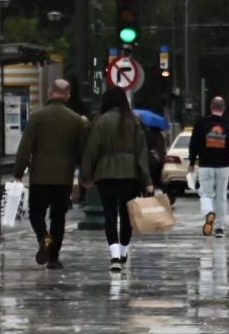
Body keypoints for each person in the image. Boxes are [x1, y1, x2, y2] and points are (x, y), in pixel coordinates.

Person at [14, 79, 87, 270]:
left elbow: (25, 148)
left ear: (49, 92)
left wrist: (19, 171)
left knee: (36, 214)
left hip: (40, 178)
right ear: (68, 95)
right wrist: (86, 175)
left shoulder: (38, 117)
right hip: (64, 179)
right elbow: (82, 152)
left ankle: (43, 238)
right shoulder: (76, 120)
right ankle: (54, 258)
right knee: (58, 217)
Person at [82, 87, 153, 273]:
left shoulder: (100, 121)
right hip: (130, 175)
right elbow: (141, 153)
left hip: (105, 174)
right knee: (127, 215)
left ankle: (114, 256)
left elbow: (92, 150)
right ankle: (123, 251)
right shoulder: (134, 122)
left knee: (110, 214)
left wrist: (86, 174)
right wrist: (147, 180)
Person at [189, 97, 229, 238]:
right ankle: (219, 229)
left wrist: (191, 162)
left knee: (206, 194)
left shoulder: (201, 124)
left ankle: (209, 213)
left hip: (205, 164)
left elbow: (194, 144)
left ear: (210, 107)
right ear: (223, 109)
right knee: (221, 197)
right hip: (222, 165)